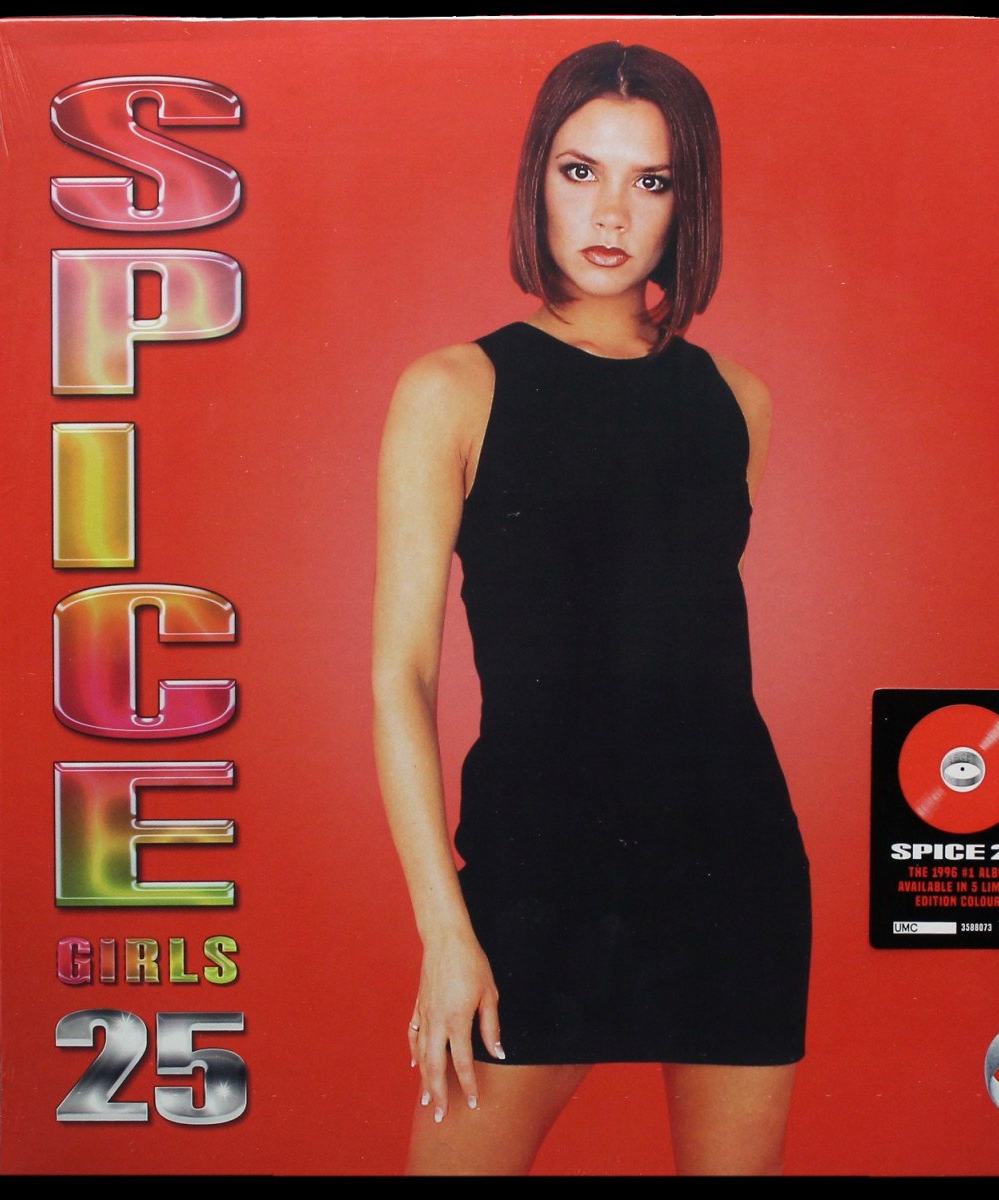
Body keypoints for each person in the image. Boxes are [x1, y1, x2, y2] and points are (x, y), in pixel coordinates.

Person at [372, 42, 811, 1176]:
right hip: (536, 878)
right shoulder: (453, 390)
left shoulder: (738, 401)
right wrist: (446, 931)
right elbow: (400, 678)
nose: (611, 211)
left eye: (650, 180)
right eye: (581, 171)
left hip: (731, 873)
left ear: (687, 202)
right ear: (538, 179)